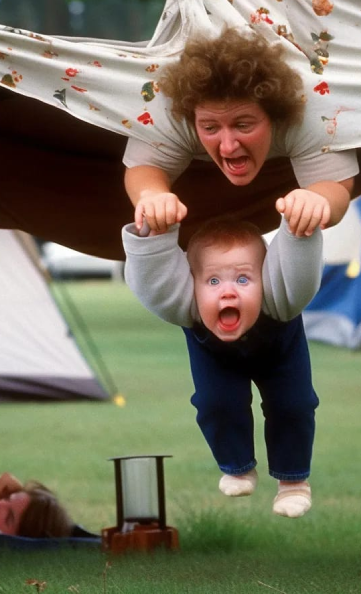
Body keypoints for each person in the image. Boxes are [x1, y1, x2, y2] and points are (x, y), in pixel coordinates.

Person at [122, 195, 326, 518]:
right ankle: (238, 467)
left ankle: (293, 481)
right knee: (216, 402)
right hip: (212, 351)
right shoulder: (187, 307)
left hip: (278, 346)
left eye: (243, 279)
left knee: (294, 404)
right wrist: (153, 236)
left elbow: (299, 274)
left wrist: (300, 228)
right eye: (213, 281)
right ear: (192, 286)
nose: (227, 292)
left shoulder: (280, 299)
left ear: (266, 280)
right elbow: (154, 283)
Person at [123, 25, 361, 240]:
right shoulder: (168, 112)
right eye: (210, 128)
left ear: (274, 114)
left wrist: (318, 200)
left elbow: (335, 189)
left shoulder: (312, 113)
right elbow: (144, 168)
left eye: (243, 125)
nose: (228, 146)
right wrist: (152, 195)